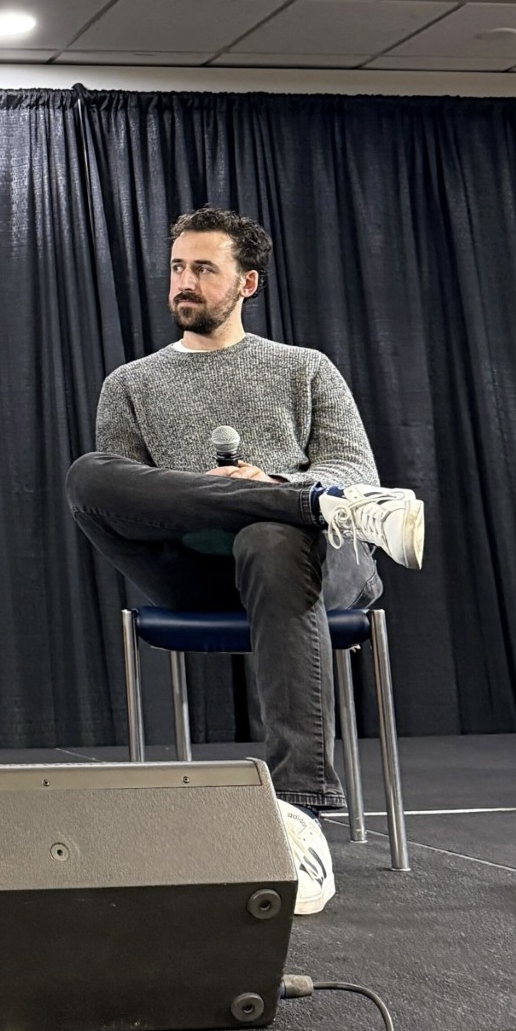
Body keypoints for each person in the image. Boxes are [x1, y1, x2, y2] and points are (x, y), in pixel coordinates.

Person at [66, 206, 424, 915]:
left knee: (271, 537)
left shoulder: (303, 368)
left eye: (204, 268)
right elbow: (131, 499)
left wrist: (270, 486)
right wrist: (233, 494)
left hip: (312, 562)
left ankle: (298, 814)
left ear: (247, 283)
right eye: (178, 267)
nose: (185, 282)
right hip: (191, 565)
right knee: (88, 477)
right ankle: (305, 504)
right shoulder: (131, 382)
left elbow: (354, 469)